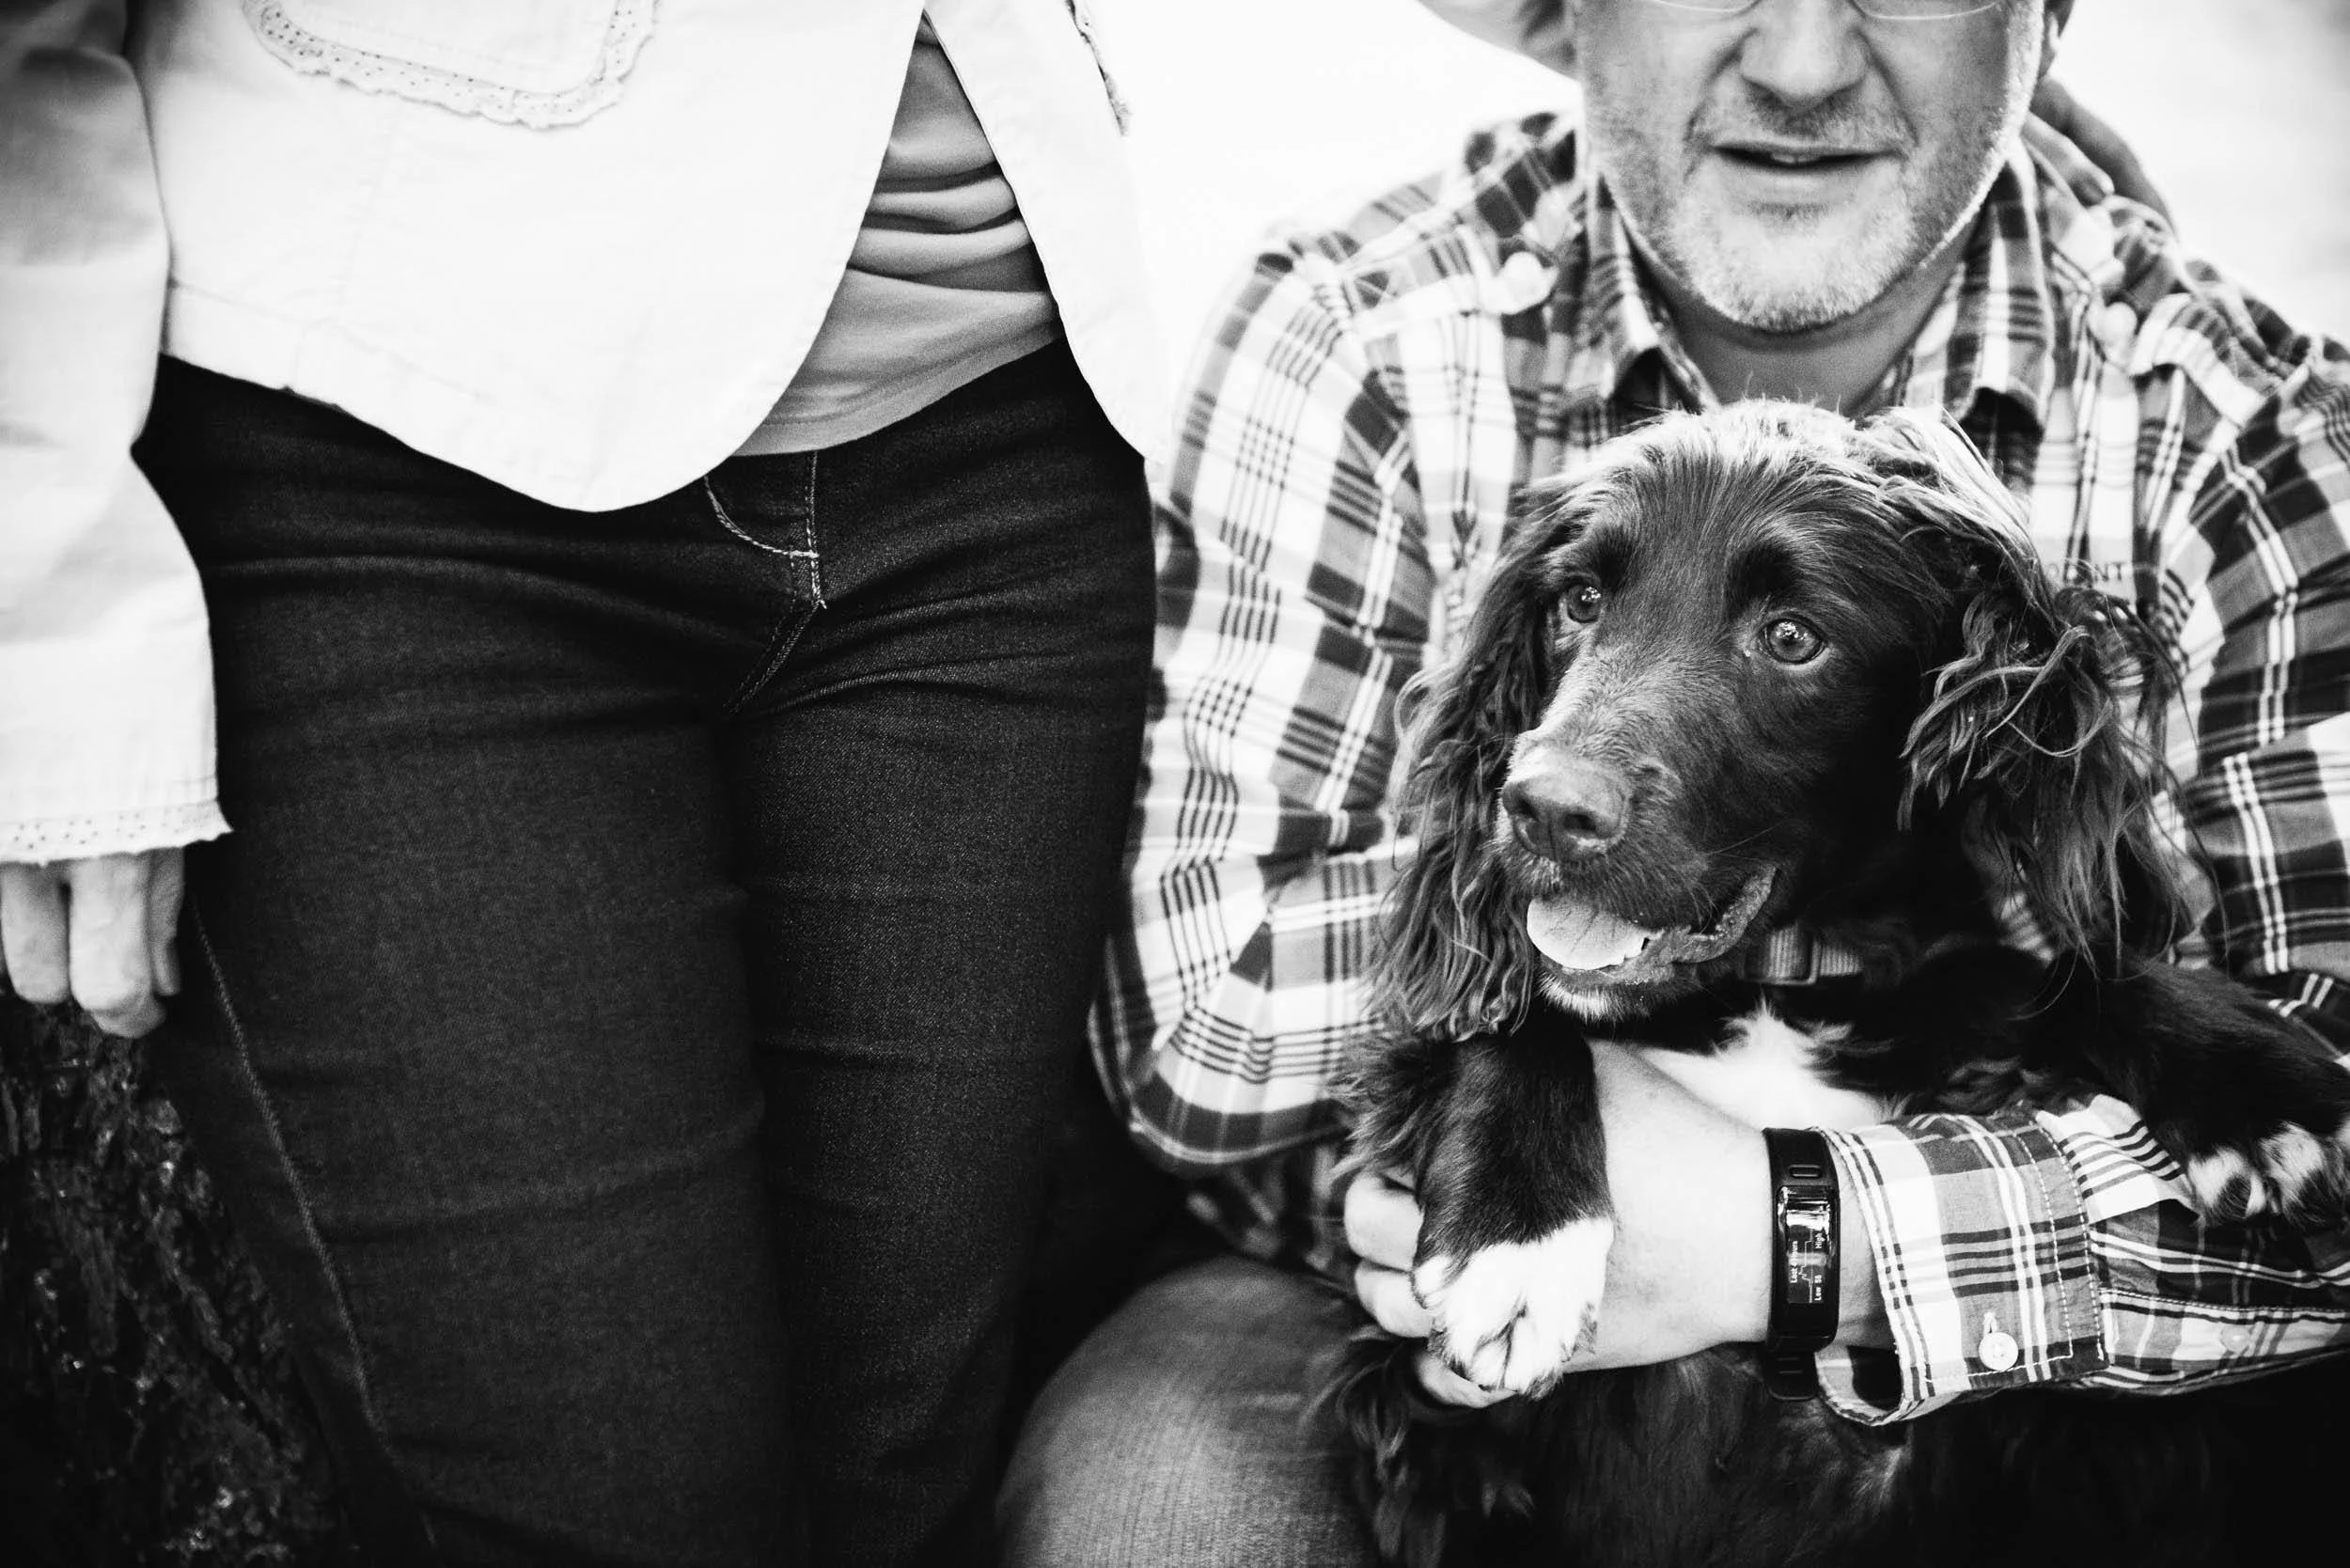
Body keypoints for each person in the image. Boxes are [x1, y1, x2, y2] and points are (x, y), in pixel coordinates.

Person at [999, 2, 2350, 1562]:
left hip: (2038, 1333)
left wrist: (1785, 1237)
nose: (1799, 64)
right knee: (1153, 1517)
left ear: (2038, 18)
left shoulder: (2253, 431)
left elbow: (2320, 1190)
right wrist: (1526, 1063)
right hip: (1358, 1267)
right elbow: (1210, 1038)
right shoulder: (1361, 320)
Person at [1, 2, 1162, 1562]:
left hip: (1003, 460)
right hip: (395, 446)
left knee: (900, 1495)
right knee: (622, 1515)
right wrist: (41, 586)